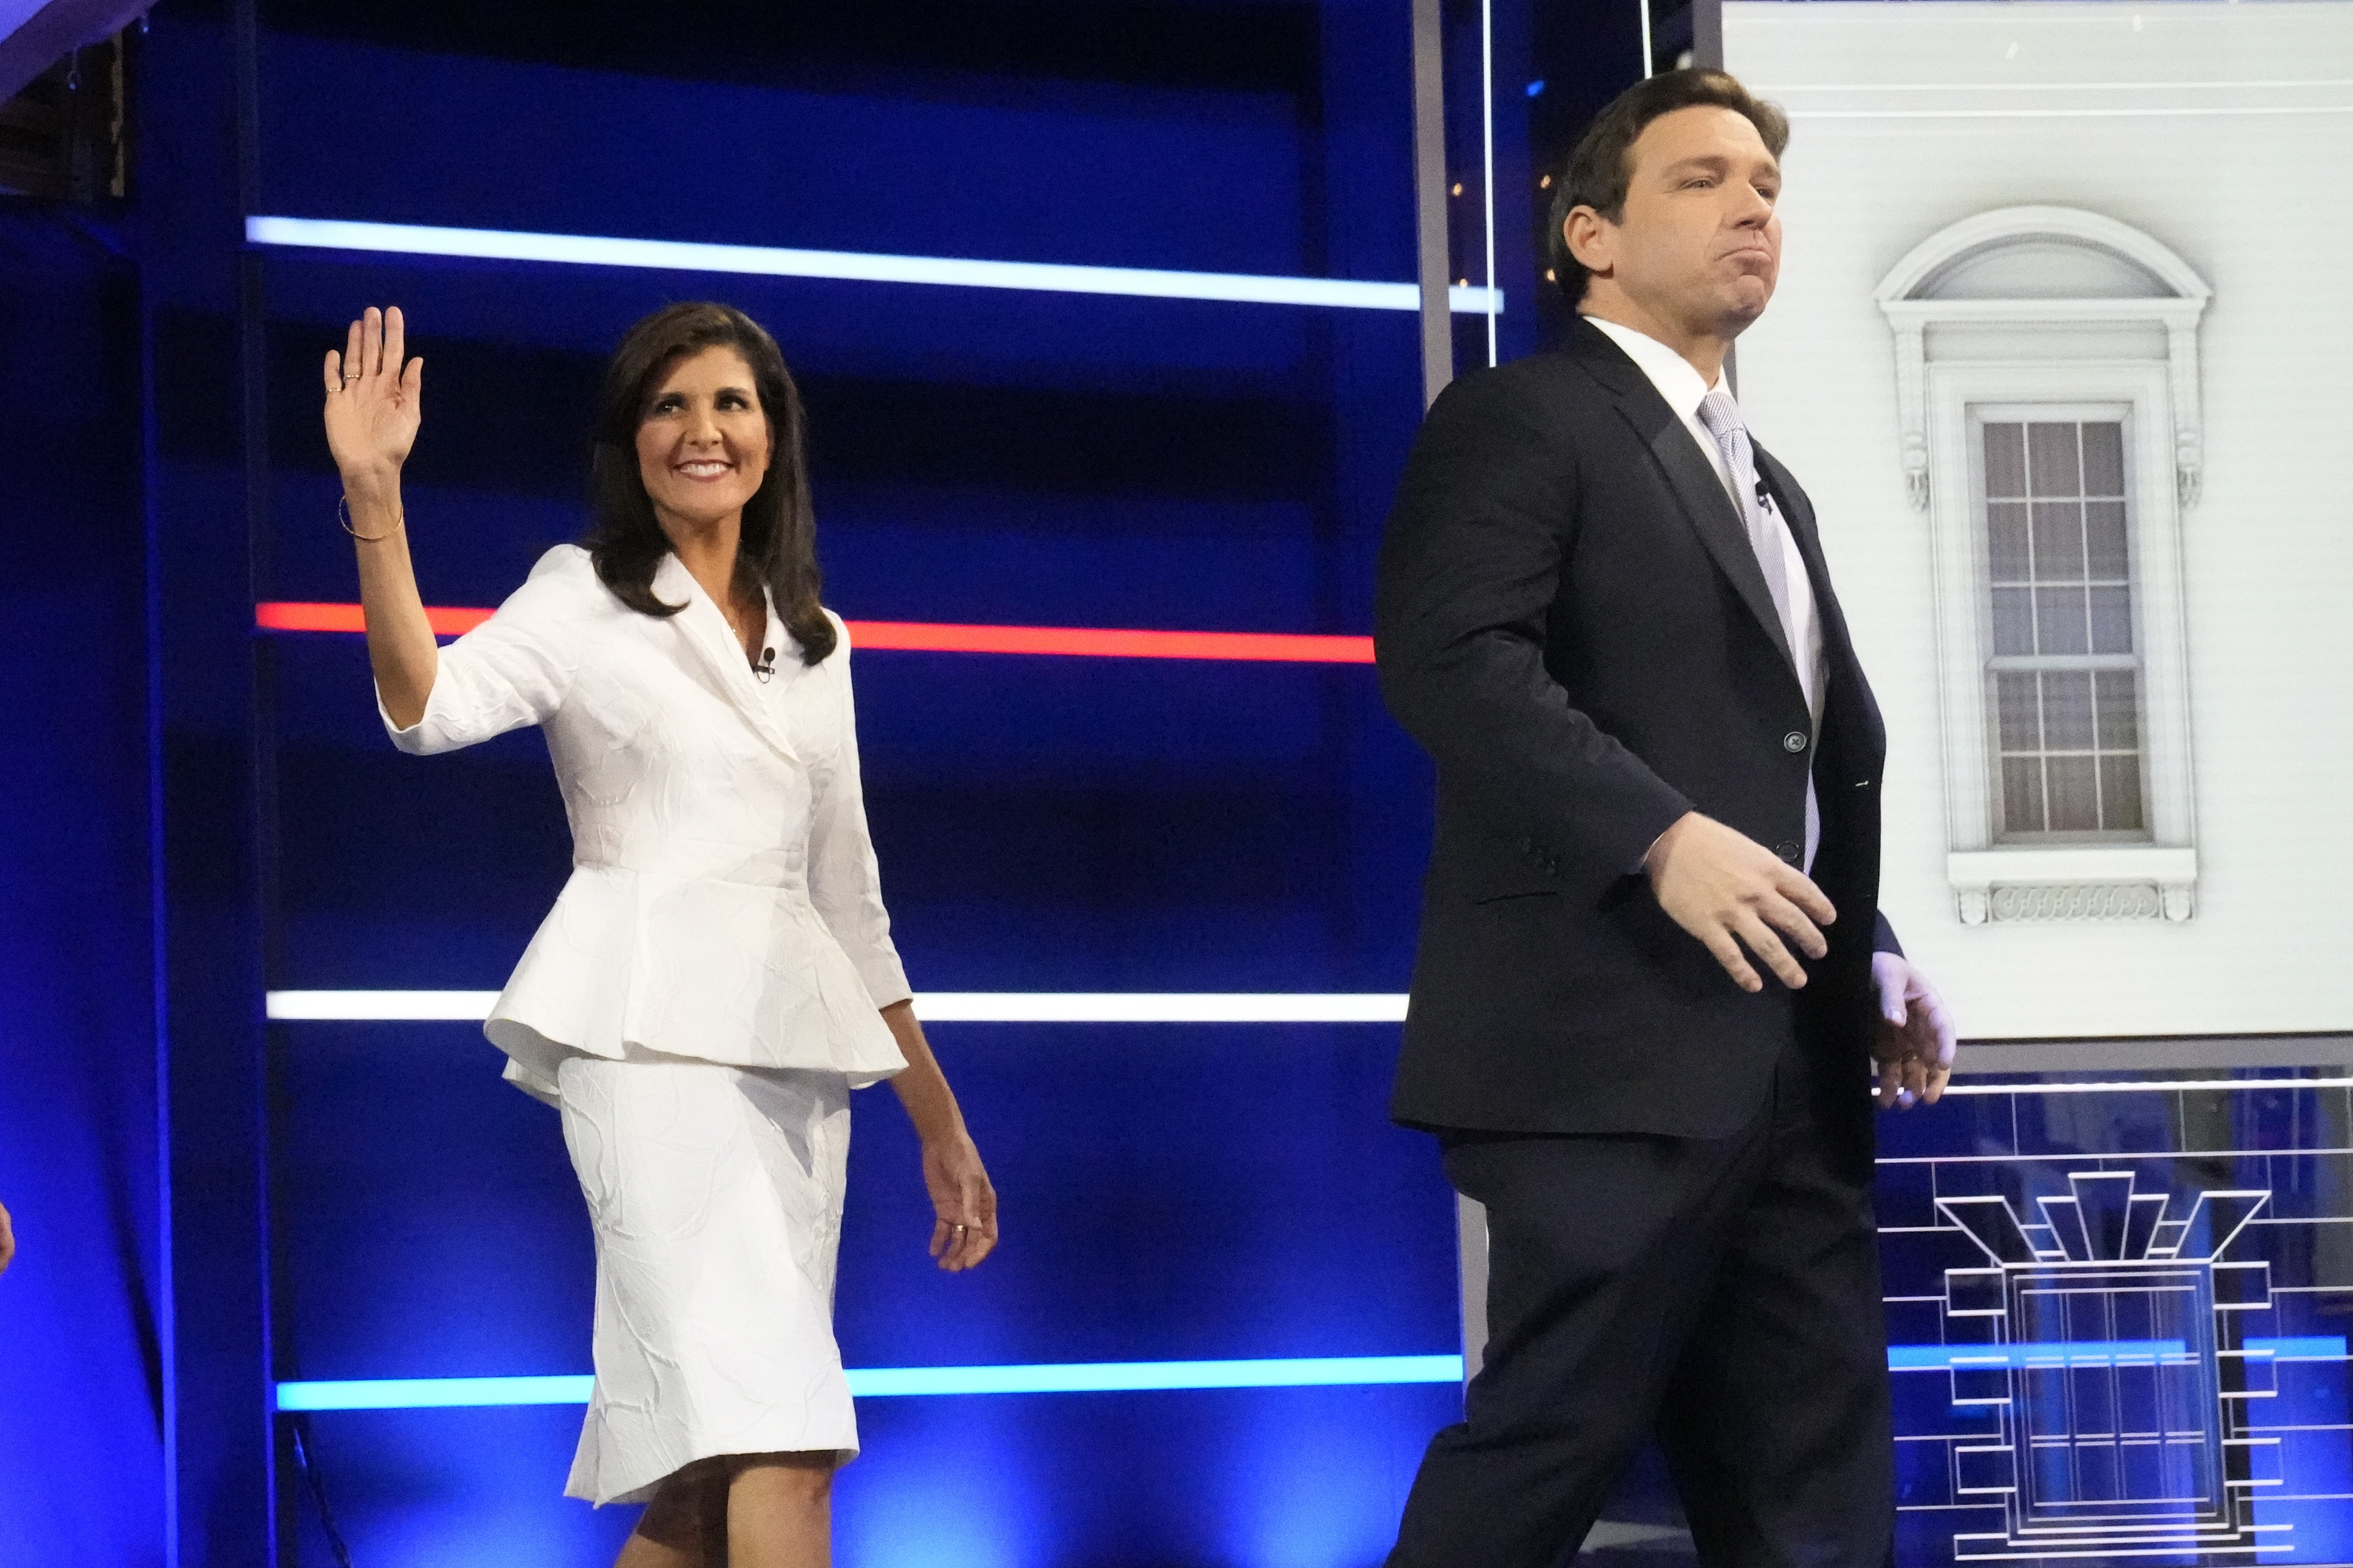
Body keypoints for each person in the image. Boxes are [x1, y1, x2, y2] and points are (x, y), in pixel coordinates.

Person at [1375, 68, 1957, 1567]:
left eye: (1763, 181)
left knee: (1814, 1499)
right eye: (1701, 179)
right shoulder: (1523, 418)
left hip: (1791, 1059)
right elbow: (1450, 664)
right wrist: (1657, 834)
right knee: (1542, 1455)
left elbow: (1785, 756)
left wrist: (1864, 945)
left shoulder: (1769, 484)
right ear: (1589, 235)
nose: (1752, 203)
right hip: (1603, 1056)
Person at [323, 301, 999, 1568]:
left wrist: (938, 1119)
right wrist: (376, 500)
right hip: (644, 1049)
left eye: (731, 403)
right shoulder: (582, 592)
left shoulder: (817, 640)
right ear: (629, 440)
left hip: (793, 1073)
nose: (703, 430)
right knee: (790, 1444)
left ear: (772, 434)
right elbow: (427, 706)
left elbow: (848, 900)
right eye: (669, 405)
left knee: (700, 1482)